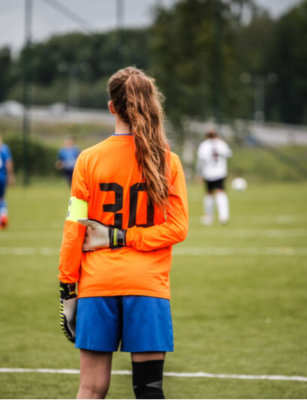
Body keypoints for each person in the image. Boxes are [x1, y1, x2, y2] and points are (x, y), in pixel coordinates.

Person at [57, 67, 189, 399]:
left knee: (90, 388)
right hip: (147, 286)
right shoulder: (167, 162)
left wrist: (67, 288)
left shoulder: (87, 160)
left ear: (111, 107)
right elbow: (177, 228)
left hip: (96, 284)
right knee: (148, 389)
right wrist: (127, 237)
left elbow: (74, 230)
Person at [196, 128, 232, 225]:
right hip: (220, 172)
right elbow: (229, 154)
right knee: (220, 191)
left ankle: (209, 217)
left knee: (209, 193)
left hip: (208, 173)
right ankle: (223, 216)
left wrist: (199, 173)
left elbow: (201, 161)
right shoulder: (221, 144)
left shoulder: (204, 145)